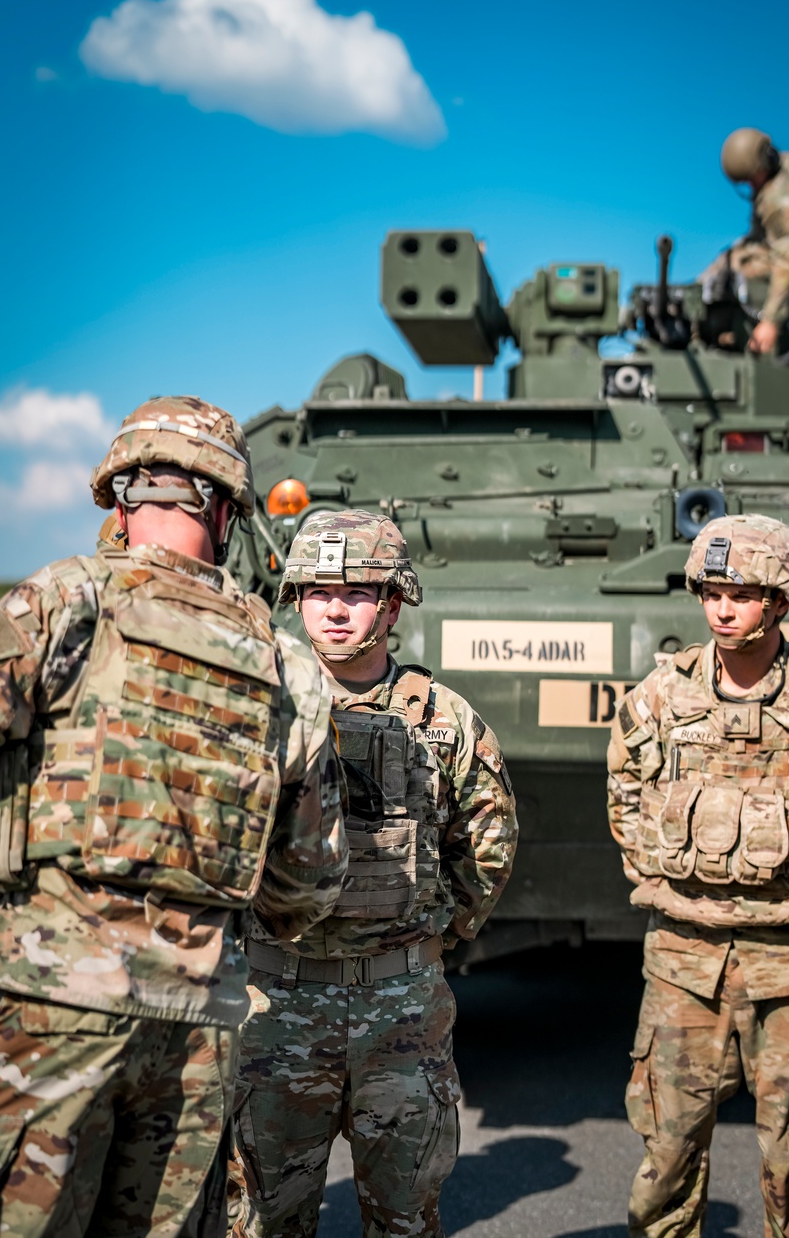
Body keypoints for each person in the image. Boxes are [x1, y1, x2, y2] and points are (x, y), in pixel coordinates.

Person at [0, 396, 347, 1238]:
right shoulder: (289, 666)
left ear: (123, 501)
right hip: (198, 1033)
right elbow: (306, 880)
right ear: (228, 511)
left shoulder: (67, 600)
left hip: (47, 1001)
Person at [231, 509, 518, 1238]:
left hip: (400, 1012)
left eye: (357, 590)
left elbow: (487, 843)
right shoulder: (254, 706)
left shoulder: (445, 721)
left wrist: (422, 937)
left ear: (393, 603)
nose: (334, 606)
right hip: (274, 1009)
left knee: (404, 1219)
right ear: (294, 596)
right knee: (258, 1221)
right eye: (318, 588)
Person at [607, 514, 789, 1238]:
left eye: (742, 592)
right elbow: (626, 802)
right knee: (667, 1158)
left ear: (781, 598)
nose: (723, 608)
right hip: (683, 962)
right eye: (711, 591)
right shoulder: (660, 699)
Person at [700, 127, 789, 356]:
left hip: (786, 265)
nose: (752, 187)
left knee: (730, 270)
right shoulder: (787, 164)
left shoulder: (780, 199)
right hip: (775, 251)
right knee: (726, 259)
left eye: (751, 180)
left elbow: (788, 258)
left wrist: (770, 322)